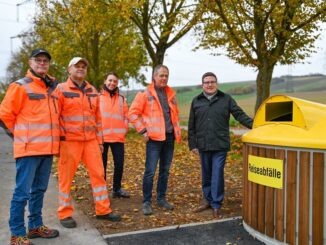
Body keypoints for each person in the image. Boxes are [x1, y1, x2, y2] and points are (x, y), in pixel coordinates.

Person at [0, 48, 60, 245]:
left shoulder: (51, 88)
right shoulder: (20, 86)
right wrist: (20, 138)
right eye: (38, 60)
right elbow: (5, 116)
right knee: (22, 193)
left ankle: (34, 226)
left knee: (39, 190)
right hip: (28, 151)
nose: (42, 63)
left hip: (47, 150)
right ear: (30, 62)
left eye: (45, 61)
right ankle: (17, 233)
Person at [54, 57, 121, 228]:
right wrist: (57, 143)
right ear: (69, 69)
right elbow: (54, 118)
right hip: (69, 142)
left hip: (91, 141)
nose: (81, 69)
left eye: (84, 67)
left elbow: (98, 119)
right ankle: (64, 213)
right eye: (77, 66)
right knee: (66, 178)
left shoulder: (92, 90)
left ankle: (103, 210)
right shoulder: (61, 90)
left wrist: (100, 141)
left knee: (99, 175)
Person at [188, 72, 253, 218]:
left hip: (220, 144)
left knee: (217, 173)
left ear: (217, 83)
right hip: (203, 144)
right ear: (202, 84)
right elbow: (191, 125)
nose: (210, 84)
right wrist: (193, 144)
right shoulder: (196, 101)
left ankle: (216, 204)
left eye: (212, 81)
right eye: (207, 82)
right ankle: (207, 200)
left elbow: (239, 115)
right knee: (206, 174)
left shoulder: (226, 99)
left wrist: (255, 125)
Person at [128, 64, 181, 215]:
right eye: (161, 75)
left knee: (165, 171)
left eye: (166, 75)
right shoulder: (145, 94)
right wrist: (142, 130)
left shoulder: (171, 94)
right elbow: (132, 113)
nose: (164, 78)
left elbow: (175, 115)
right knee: (150, 172)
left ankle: (161, 199)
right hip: (154, 140)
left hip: (169, 138)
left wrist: (177, 133)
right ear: (154, 77)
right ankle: (146, 202)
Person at [100, 72, 130, 198]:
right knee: (102, 166)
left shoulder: (122, 98)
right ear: (105, 81)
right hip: (102, 138)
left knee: (119, 164)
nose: (112, 83)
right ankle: (101, 190)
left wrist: (124, 129)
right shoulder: (97, 97)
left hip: (118, 138)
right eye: (110, 80)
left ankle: (117, 189)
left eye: (115, 81)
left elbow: (126, 116)